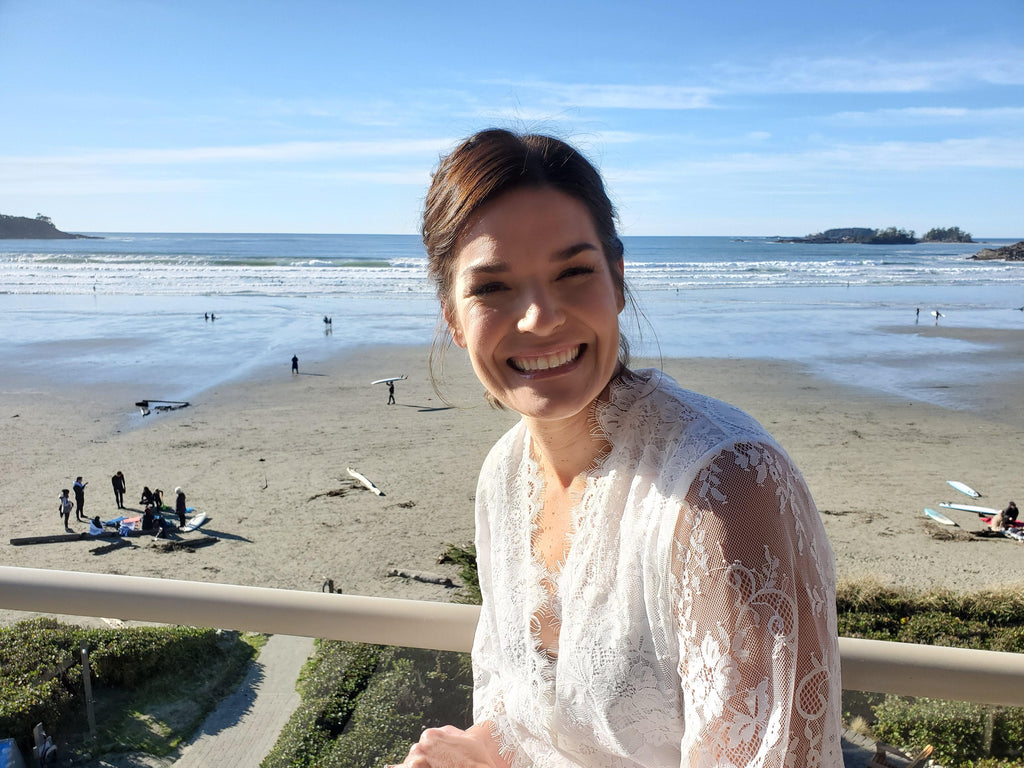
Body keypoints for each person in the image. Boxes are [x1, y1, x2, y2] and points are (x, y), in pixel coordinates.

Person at [397, 130, 842, 768]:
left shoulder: (725, 491)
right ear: (452, 316)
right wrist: (477, 749)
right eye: (492, 288)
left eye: (573, 272)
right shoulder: (503, 476)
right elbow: (530, 715)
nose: (539, 318)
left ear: (618, 281)